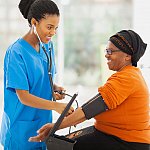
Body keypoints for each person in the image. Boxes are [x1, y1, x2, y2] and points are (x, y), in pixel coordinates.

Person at [29, 30, 150, 150]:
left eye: (110, 51)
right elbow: (94, 107)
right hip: (109, 133)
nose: (106, 55)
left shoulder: (127, 78)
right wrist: (74, 117)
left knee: (59, 146)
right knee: (63, 142)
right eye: (106, 51)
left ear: (127, 56)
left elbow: (89, 110)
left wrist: (55, 126)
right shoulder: (129, 75)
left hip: (125, 141)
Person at [0, 0, 74, 149]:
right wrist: (56, 106)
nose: (53, 33)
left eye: (56, 28)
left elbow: (43, 78)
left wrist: (53, 88)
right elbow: (23, 96)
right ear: (34, 22)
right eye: (49, 27)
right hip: (20, 129)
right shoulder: (16, 52)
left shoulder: (48, 45)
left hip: (43, 124)